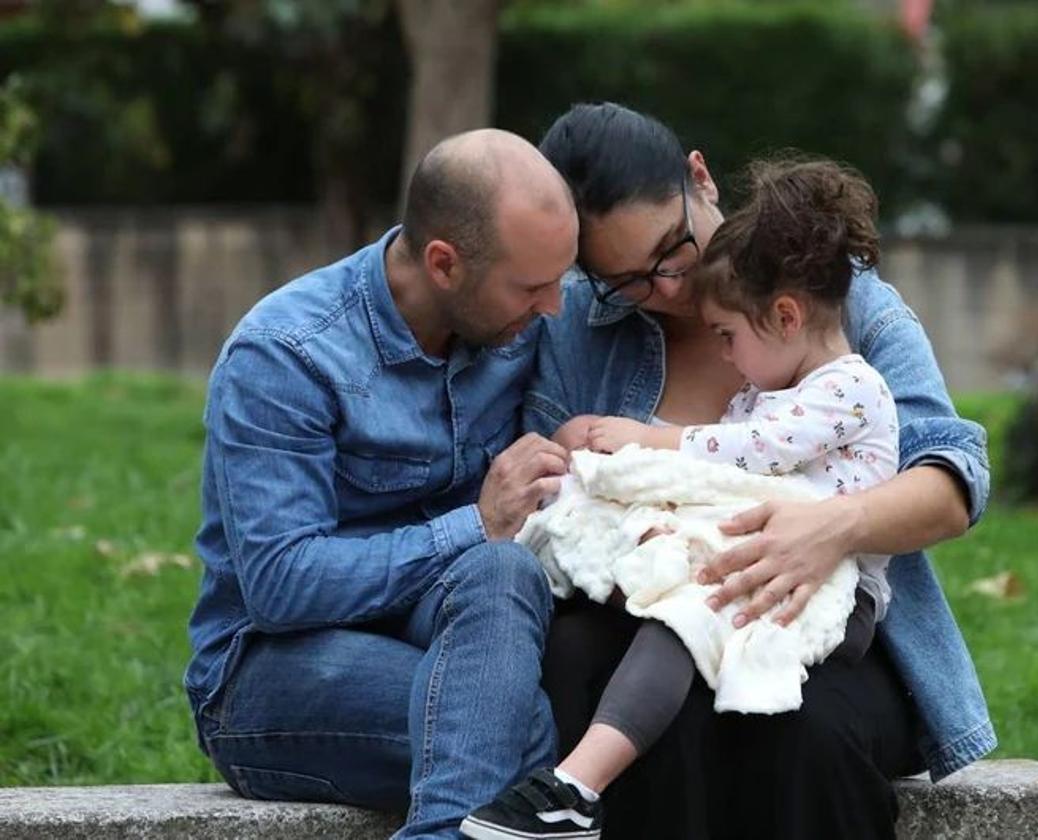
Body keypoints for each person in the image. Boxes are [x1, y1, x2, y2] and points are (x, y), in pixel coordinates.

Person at [520, 102, 995, 839]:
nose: (667, 290)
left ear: (700, 180)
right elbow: (547, 492)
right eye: (627, 281)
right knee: (600, 679)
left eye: (672, 253)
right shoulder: (579, 324)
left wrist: (831, 528)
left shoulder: (831, 291)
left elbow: (953, 479)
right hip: (648, 610)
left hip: (820, 626)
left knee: (799, 730)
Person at [461, 155, 902, 840]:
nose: (723, 355)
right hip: (758, 571)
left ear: (786, 315)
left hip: (839, 595)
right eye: (623, 282)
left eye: (729, 336)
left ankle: (576, 787)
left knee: (686, 619)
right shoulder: (765, 391)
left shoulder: (847, 389)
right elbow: (716, 492)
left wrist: (645, 443)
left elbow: (748, 455)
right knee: (659, 604)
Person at [183, 128, 579, 840]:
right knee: (520, 731)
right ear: (444, 264)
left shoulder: (516, 324)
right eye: (531, 286)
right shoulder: (286, 355)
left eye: (561, 278)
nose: (553, 307)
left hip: (444, 627)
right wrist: (475, 522)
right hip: (271, 670)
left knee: (502, 569)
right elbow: (281, 585)